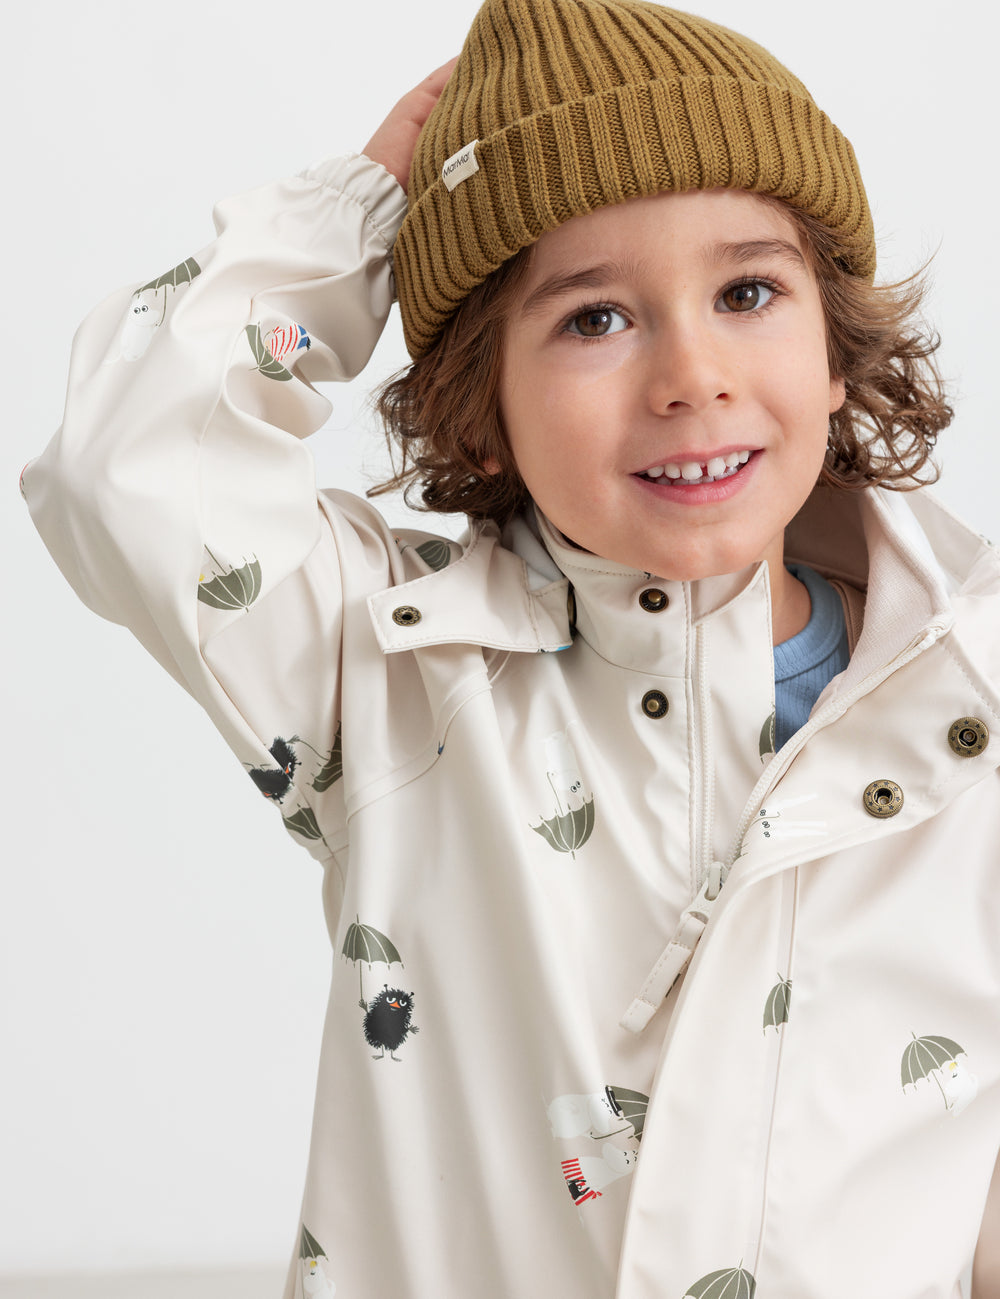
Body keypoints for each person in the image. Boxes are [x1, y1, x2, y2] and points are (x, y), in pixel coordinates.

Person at [22, 0, 1000, 1294]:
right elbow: (123, 468)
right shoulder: (393, 674)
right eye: (595, 319)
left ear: (834, 349)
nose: (691, 374)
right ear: (478, 409)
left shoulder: (968, 709)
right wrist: (362, 212)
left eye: (748, 292)